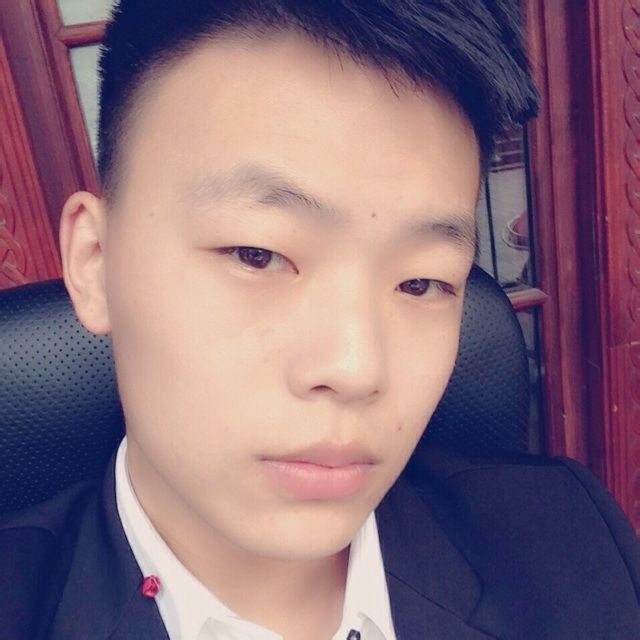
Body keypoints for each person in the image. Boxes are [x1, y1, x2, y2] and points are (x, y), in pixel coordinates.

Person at [1, 0, 639, 638]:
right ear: (95, 262)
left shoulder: (574, 547)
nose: (357, 369)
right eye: (257, 254)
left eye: (421, 282)